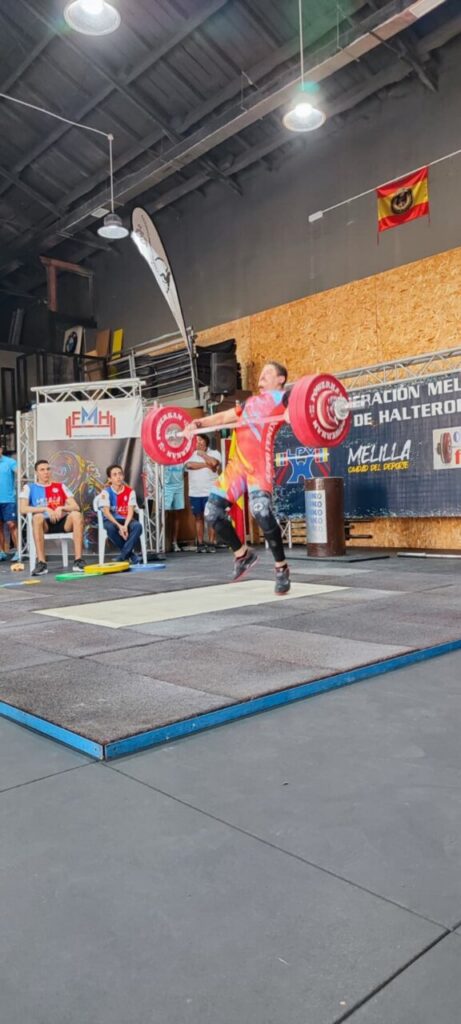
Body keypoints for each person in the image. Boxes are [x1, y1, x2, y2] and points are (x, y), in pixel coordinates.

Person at [186, 361, 291, 594]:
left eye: (267, 374)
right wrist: (199, 424)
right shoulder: (250, 402)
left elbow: (303, 405)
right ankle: (242, 555)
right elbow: (224, 418)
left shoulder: (284, 398)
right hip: (237, 466)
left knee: (261, 511)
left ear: (281, 379)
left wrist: (294, 414)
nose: (261, 378)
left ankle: (281, 567)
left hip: (258, 466)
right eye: (261, 374)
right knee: (211, 513)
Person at [19, 458, 84, 575]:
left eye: (48, 469)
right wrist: (45, 508)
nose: (46, 472)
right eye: (42, 470)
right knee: (37, 517)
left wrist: (61, 508)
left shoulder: (60, 486)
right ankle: (42, 564)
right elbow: (23, 509)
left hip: (62, 523)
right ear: (36, 473)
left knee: (77, 515)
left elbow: (75, 506)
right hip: (44, 524)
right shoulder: (29, 488)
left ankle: (78, 561)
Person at [98, 464, 143, 564]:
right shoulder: (105, 492)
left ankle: (123, 556)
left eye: (120, 474)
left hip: (126, 519)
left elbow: (130, 511)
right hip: (111, 520)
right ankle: (131, 555)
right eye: (114, 475)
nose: (118, 477)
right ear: (110, 479)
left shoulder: (130, 492)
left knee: (138, 526)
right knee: (110, 528)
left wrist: (125, 526)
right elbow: (106, 513)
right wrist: (119, 526)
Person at [185, 435, 221, 552]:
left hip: (210, 490)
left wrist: (203, 455)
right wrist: (206, 465)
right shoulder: (189, 454)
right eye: (196, 440)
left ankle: (211, 543)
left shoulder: (214, 452)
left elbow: (214, 464)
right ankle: (200, 544)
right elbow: (189, 465)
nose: (198, 442)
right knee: (198, 518)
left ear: (206, 441)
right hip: (195, 491)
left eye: (200, 440)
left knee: (211, 517)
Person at [0, 444, 18, 561]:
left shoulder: (10, 462)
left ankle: (18, 551)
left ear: (1, 449)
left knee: (11, 525)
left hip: (8, 500)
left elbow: (21, 475)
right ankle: (1, 552)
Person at [164, 463, 185, 552]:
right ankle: (164, 542)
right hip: (167, 487)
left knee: (177, 515)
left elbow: (185, 473)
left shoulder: (182, 456)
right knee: (164, 514)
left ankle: (174, 542)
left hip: (179, 487)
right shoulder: (166, 454)